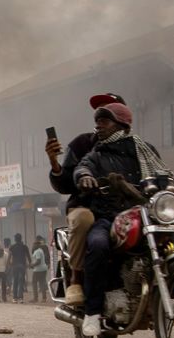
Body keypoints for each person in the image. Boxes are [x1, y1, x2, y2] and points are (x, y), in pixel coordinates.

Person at [73, 101, 174, 335]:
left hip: (145, 214)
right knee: (97, 245)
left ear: (122, 125)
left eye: (104, 122)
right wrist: (85, 177)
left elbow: (162, 171)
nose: (98, 127)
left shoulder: (144, 150)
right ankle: (92, 312)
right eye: (97, 123)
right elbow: (82, 167)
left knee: (172, 239)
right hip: (108, 216)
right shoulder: (96, 154)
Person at [46, 92, 126, 307]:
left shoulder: (136, 148)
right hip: (88, 206)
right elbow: (66, 183)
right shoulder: (84, 145)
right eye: (99, 113)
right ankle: (77, 279)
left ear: (122, 118)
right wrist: (55, 163)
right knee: (84, 219)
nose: (101, 119)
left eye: (109, 111)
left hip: (124, 209)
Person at [9, 233, 30, 303]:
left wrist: (8, 265)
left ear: (15, 239)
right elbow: (28, 256)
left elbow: (9, 257)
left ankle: (15, 298)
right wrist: (30, 264)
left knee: (15, 281)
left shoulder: (12, 247)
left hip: (14, 266)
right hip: (22, 266)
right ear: (21, 238)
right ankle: (21, 298)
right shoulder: (24, 247)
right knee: (21, 282)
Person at [29, 236, 49, 303]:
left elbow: (38, 261)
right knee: (42, 283)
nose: (33, 246)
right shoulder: (40, 250)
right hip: (43, 269)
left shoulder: (37, 251)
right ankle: (44, 298)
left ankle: (35, 298)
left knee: (34, 283)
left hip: (38, 269)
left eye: (34, 244)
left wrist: (32, 265)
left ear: (36, 245)